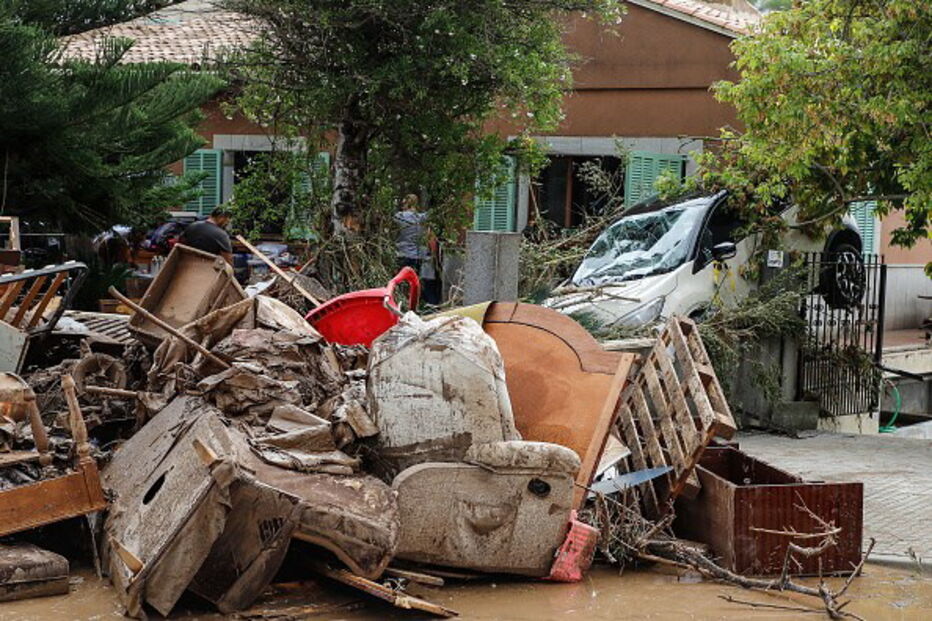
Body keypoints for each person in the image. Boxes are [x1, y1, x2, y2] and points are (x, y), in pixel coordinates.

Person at [394, 194, 441, 305]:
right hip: (418, 256)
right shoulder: (422, 218)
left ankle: (402, 304)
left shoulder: (399, 216)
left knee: (402, 282)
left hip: (403, 253)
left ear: (406, 203)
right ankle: (413, 305)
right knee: (415, 282)